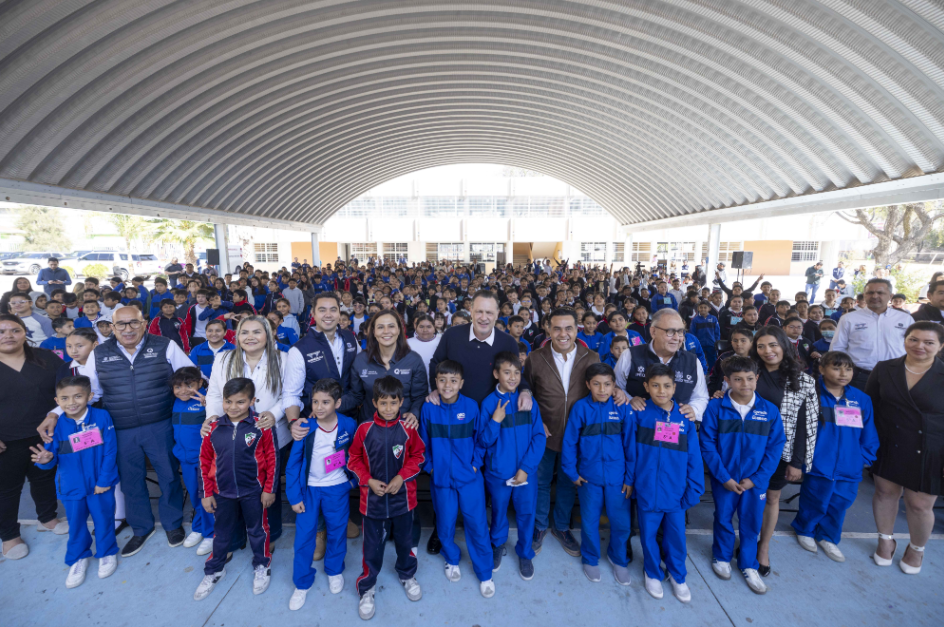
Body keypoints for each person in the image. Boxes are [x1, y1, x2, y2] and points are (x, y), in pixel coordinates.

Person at [525, 308, 616, 557]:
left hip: (578, 436)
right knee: (541, 481)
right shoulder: (535, 358)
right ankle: (540, 525)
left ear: (577, 330)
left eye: (568, 328)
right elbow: (527, 393)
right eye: (556, 328)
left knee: (568, 482)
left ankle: (561, 526)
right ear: (548, 329)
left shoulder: (591, 356)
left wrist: (619, 391)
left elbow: (600, 386)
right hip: (545, 433)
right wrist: (536, 422)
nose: (562, 334)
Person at [700, 356, 784, 595]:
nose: (744, 384)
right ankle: (721, 556)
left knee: (751, 521)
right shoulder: (715, 408)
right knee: (723, 517)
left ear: (757, 378)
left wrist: (757, 479)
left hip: (754, 482)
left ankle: (748, 564)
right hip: (725, 479)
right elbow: (707, 444)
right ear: (727, 380)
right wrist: (723, 477)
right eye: (737, 379)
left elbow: (775, 448)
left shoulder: (769, 410)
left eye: (749, 378)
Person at [203, 316, 290, 542]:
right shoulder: (223, 358)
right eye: (244, 332)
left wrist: (274, 413)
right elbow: (214, 393)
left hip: (269, 433)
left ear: (268, 335)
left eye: (257, 332)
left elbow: (290, 395)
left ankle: (269, 535)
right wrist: (213, 417)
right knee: (230, 486)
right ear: (237, 336)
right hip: (231, 436)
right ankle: (235, 537)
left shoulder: (283, 359)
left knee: (266, 487)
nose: (250, 337)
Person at [867, 322, 944, 575]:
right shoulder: (884, 368)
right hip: (889, 441)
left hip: (931, 448)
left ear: (940, 346)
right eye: (914, 339)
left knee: (919, 505)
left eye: (929, 342)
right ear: (905, 340)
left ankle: (917, 548)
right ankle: (885, 540)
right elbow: (870, 407)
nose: (919, 346)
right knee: (885, 493)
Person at [347, 376, 426, 620]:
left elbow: (419, 456)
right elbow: (353, 459)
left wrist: (401, 477)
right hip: (373, 503)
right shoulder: (364, 429)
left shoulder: (408, 429)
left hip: (404, 501)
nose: (389, 408)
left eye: (394, 403)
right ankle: (367, 586)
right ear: (374, 403)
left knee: (405, 542)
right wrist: (368, 480)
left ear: (401, 402)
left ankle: (407, 574)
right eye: (383, 403)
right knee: (372, 547)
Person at [30, 375, 119, 587]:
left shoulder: (102, 416)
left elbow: (110, 450)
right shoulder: (56, 425)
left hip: (99, 484)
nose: (71, 402)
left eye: (78, 396)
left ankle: (107, 552)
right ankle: (79, 557)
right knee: (76, 523)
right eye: (65, 398)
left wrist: (104, 480)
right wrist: (45, 461)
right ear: (57, 401)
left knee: (104, 519)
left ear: (90, 396)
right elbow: (50, 458)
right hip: (71, 486)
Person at [791, 351, 878, 562]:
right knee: (814, 499)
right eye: (836, 368)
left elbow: (869, 433)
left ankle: (828, 537)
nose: (843, 374)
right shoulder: (811, 395)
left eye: (848, 369)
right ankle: (805, 530)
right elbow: (797, 430)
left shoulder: (861, 399)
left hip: (849, 466)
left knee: (840, 503)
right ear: (822, 369)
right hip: (819, 463)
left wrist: (862, 458)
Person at [194, 378, 277, 601]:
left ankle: (262, 565)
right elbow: (203, 462)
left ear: (252, 401)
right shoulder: (212, 428)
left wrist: (269, 489)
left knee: (258, 530)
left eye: (240, 402)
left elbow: (272, 458)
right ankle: (215, 569)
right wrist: (206, 493)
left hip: (254, 492)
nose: (233, 407)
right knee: (221, 533)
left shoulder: (261, 426)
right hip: (222, 493)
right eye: (228, 401)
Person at [419, 360, 495, 597]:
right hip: (441, 480)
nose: (447, 385)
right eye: (442, 380)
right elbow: (422, 444)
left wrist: (474, 465)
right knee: (445, 523)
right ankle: (451, 559)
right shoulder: (429, 408)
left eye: (453, 381)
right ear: (435, 382)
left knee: (477, 524)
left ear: (461, 383)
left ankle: (485, 572)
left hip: (469, 479)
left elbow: (480, 440)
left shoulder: (471, 407)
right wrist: (431, 468)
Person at [630, 363, 704, 603]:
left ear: (675, 387)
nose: (661, 391)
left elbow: (694, 457)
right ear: (646, 386)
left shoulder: (684, 417)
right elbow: (630, 452)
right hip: (647, 490)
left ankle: (678, 575)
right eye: (655, 386)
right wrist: (632, 483)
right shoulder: (639, 414)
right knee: (648, 536)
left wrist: (694, 488)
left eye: (667, 386)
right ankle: (652, 572)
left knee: (676, 538)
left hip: (676, 493)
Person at [750, 326, 819, 577]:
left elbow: (806, 425)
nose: (767, 351)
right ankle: (747, 540)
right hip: (747, 449)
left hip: (780, 452)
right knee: (747, 497)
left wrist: (798, 462)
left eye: (773, 345)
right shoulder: (749, 373)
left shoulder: (804, 381)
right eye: (761, 346)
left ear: (785, 346)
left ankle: (763, 547)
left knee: (771, 497)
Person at [285, 378, 358, 610]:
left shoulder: (348, 424)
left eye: (325, 402)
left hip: (337, 488)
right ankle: (301, 582)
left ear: (338, 403)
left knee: (337, 530)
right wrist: (295, 496)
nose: (319, 407)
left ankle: (334, 570)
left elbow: (357, 454)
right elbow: (293, 464)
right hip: (309, 490)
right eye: (315, 402)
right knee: (304, 535)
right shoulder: (305, 427)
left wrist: (353, 482)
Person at [561, 363, 634, 586]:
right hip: (588, 478)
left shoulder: (622, 407)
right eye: (596, 384)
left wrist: (629, 478)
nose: (602, 389)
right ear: (588, 385)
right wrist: (572, 472)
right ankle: (590, 558)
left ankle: (618, 558)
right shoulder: (580, 408)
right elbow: (569, 442)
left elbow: (631, 445)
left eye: (607, 384)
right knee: (589, 521)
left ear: (614, 385)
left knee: (621, 523)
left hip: (617, 479)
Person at [0, 315, 67, 560]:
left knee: (44, 478)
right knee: (7, 489)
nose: (8, 336)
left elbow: (67, 388)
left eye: (14, 330)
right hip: (6, 441)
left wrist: (56, 414)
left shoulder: (46, 358)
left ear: (24, 333)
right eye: (1, 331)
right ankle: (9, 535)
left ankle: (47, 518)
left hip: (45, 434)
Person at [479, 352, 546, 580]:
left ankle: (525, 552)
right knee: (498, 511)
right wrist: (495, 421)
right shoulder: (489, 403)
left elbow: (539, 437)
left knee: (526, 513)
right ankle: (497, 544)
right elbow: (484, 441)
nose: (512, 377)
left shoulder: (527, 402)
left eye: (517, 372)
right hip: (498, 472)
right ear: (496, 374)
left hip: (526, 472)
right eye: (506, 372)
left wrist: (526, 468)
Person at [830, 278, 913, 390]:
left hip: (896, 375)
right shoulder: (849, 318)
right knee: (859, 402)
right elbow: (837, 348)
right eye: (870, 293)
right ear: (864, 295)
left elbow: (913, 347)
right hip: (859, 377)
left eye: (880, 292)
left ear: (890, 296)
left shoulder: (905, 319)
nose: (874, 296)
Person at [169, 367, 215, 556]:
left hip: (203, 460)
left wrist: (208, 404)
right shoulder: (176, 402)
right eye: (178, 387)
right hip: (185, 459)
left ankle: (211, 533)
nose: (183, 391)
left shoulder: (207, 400)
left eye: (189, 385)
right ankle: (199, 526)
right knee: (195, 495)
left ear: (200, 383)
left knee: (207, 496)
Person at [407, 314, 441, 390]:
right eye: (421, 327)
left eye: (429, 327)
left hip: (437, 387)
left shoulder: (441, 342)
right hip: (414, 387)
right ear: (416, 327)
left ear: (434, 328)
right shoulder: (407, 343)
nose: (425, 330)